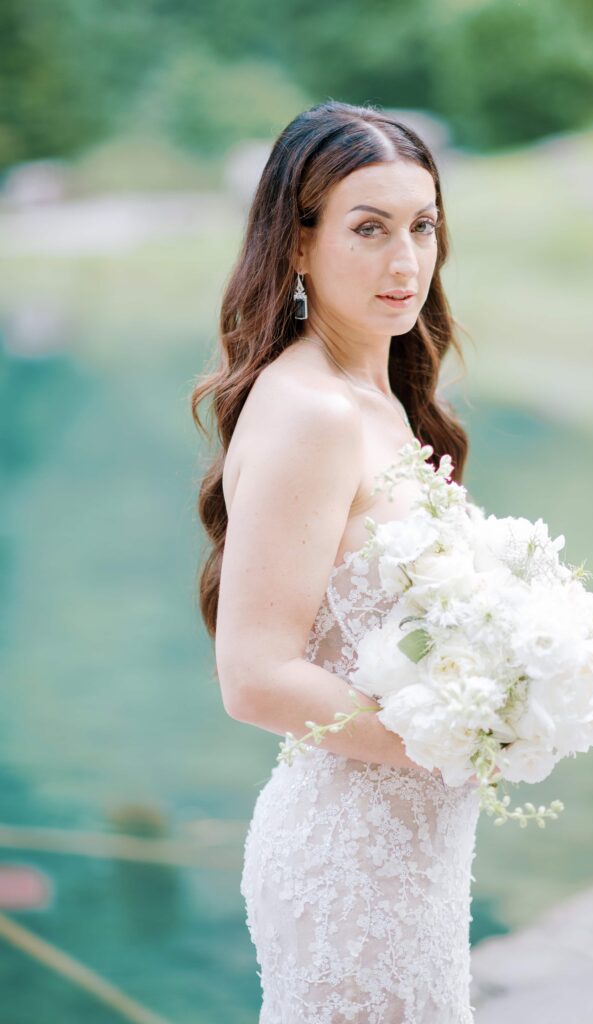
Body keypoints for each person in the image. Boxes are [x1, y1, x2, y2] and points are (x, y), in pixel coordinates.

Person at [191, 99, 482, 1023]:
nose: (406, 262)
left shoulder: (379, 397)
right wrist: (458, 738)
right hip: (350, 865)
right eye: (370, 229)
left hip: (417, 853)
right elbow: (256, 677)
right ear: (298, 245)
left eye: (422, 226)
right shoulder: (312, 411)